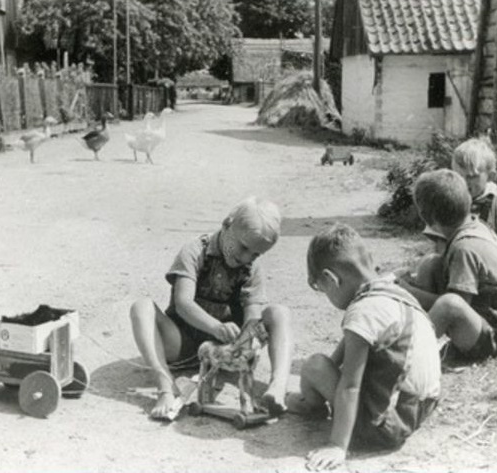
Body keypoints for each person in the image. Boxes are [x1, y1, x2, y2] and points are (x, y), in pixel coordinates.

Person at [293, 223, 440, 471]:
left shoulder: (361, 312)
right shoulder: (395, 292)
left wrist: (337, 445)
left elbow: (350, 387)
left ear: (331, 279)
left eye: (321, 288)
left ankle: (312, 406)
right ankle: (313, 400)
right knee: (322, 367)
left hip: (383, 426)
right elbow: (343, 354)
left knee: (314, 365)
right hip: (418, 410)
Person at [129, 197, 292, 421]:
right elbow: (183, 303)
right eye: (243, 247)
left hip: (226, 351)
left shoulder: (250, 268)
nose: (246, 257)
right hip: (183, 343)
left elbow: (252, 314)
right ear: (226, 225)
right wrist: (215, 326)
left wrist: (246, 342)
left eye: (255, 254)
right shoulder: (195, 251)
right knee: (141, 306)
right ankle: (165, 386)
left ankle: (277, 387)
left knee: (279, 313)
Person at [399, 169, 497, 362]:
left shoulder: (465, 249)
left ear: (428, 219)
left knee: (448, 304)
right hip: (480, 322)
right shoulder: (474, 224)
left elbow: (456, 306)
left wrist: (409, 292)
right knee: (430, 263)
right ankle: (419, 334)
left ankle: (406, 359)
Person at [423, 137, 497, 283]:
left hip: (489, 270)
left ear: (491, 176)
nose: (464, 182)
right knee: (427, 265)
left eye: (472, 177)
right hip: (457, 264)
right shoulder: (449, 198)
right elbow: (440, 240)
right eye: (459, 176)